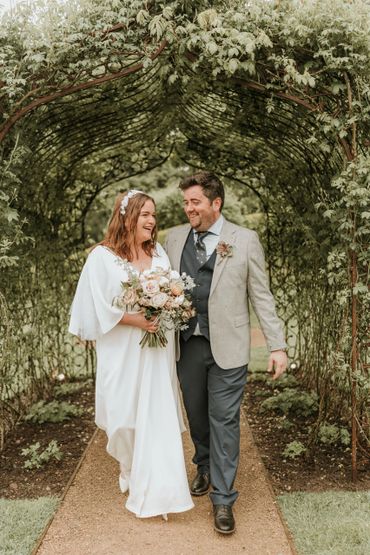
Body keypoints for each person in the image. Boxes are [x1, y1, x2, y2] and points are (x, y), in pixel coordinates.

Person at [164, 171, 287, 534]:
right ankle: (203, 463)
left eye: (195, 202)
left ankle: (223, 499)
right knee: (197, 416)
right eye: (186, 202)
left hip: (229, 349)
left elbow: (261, 296)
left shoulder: (244, 240)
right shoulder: (172, 239)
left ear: (215, 203)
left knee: (225, 421)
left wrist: (276, 345)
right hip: (186, 345)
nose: (189, 208)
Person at [68, 190, 194, 520]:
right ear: (127, 218)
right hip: (121, 346)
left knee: (155, 414)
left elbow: (171, 292)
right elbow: (98, 305)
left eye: (153, 215)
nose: (152, 221)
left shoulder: (159, 254)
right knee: (122, 416)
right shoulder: (102, 257)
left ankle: (159, 489)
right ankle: (128, 464)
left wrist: (169, 306)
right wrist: (134, 319)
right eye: (145, 215)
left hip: (156, 348)